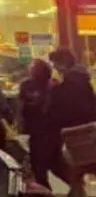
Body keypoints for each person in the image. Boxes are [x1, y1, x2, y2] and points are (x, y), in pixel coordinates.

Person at [47, 48, 95, 197]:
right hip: (86, 126)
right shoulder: (81, 77)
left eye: (55, 63)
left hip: (77, 129)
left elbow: (67, 104)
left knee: (76, 163)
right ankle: (75, 194)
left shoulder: (71, 80)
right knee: (79, 163)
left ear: (62, 61)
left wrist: (54, 90)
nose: (54, 67)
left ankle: (75, 196)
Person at [19, 58, 70, 190]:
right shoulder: (27, 85)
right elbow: (22, 105)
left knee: (43, 163)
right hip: (39, 130)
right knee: (48, 163)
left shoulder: (53, 86)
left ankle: (47, 192)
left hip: (48, 129)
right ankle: (70, 187)